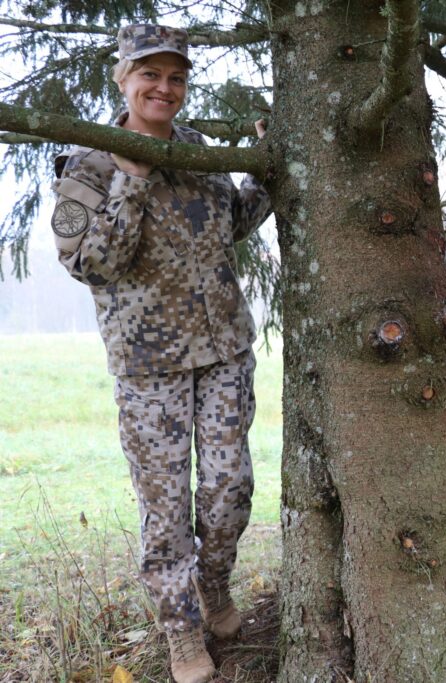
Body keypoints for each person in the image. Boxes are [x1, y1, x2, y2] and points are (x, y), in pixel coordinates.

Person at [50, 24, 272, 683]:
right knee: (166, 506)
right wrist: (134, 179)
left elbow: (230, 220)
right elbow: (93, 263)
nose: (164, 88)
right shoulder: (89, 162)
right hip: (150, 366)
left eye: (176, 77)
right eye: (150, 74)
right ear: (122, 79)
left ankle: (215, 584)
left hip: (224, 350)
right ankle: (181, 633)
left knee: (230, 488)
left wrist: (268, 167)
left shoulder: (197, 148)